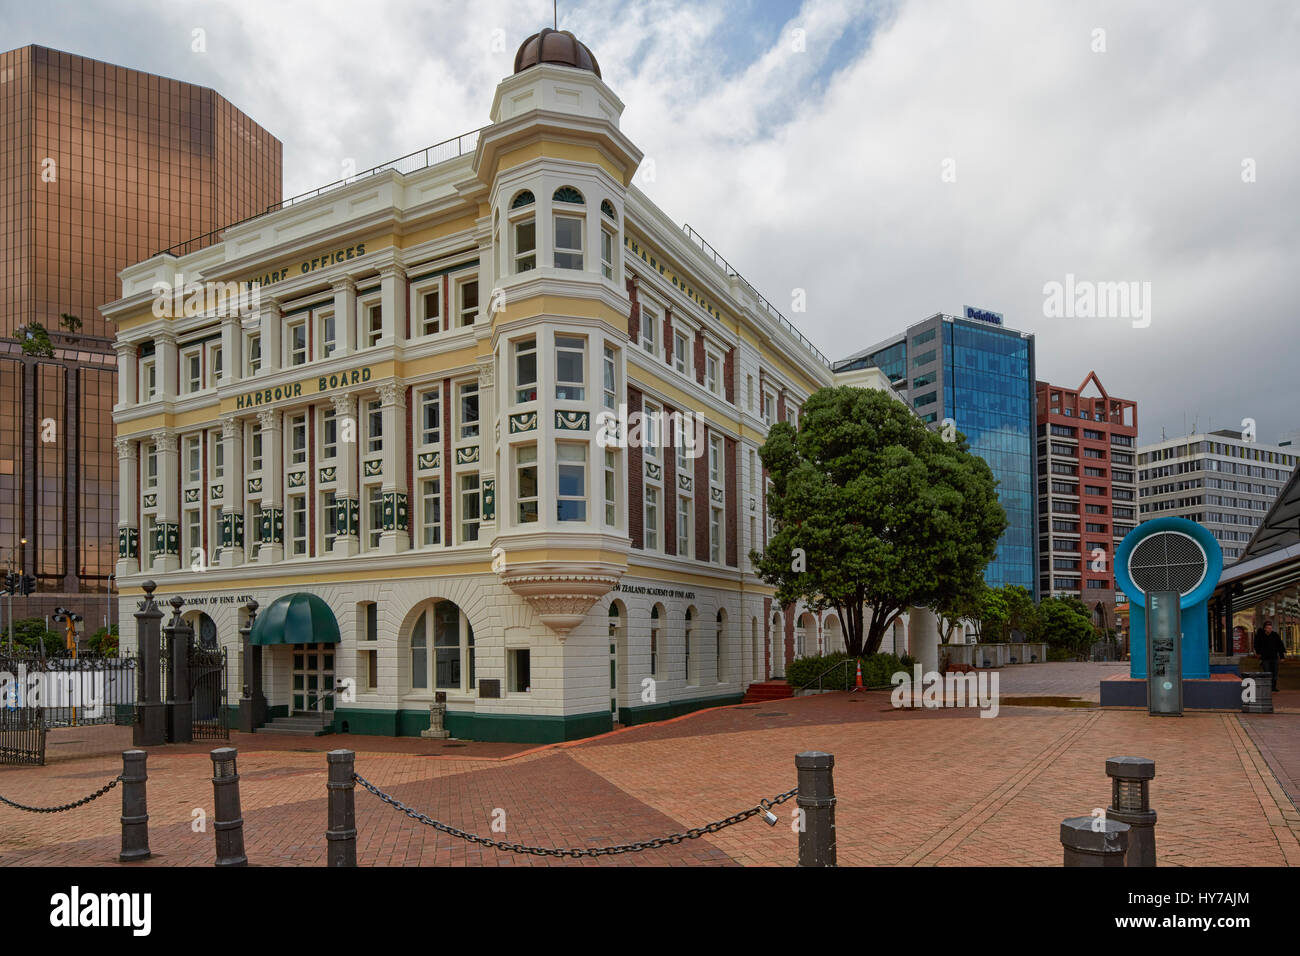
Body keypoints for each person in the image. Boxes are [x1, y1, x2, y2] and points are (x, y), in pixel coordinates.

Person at [1253, 620, 1286, 693]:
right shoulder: (1260, 636)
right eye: (1268, 628)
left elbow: (1280, 646)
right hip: (1265, 658)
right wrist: (1258, 653)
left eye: (1270, 628)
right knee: (1267, 673)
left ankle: (1274, 687)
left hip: (1274, 657)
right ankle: (1267, 687)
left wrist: (1282, 657)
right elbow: (1256, 645)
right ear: (1265, 628)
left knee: (1275, 673)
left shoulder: (1275, 635)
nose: (1269, 629)